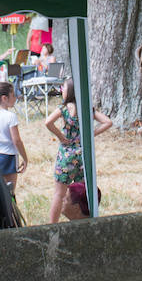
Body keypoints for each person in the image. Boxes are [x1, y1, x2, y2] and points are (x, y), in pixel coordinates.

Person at [45, 79, 113, 222]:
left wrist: (61, 136)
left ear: (69, 91)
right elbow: (108, 122)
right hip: (83, 155)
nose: (61, 90)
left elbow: (48, 122)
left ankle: (52, 225)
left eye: (63, 88)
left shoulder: (63, 108)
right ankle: (84, 222)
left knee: (59, 194)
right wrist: (91, 133)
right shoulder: (87, 108)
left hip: (66, 155)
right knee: (82, 195)